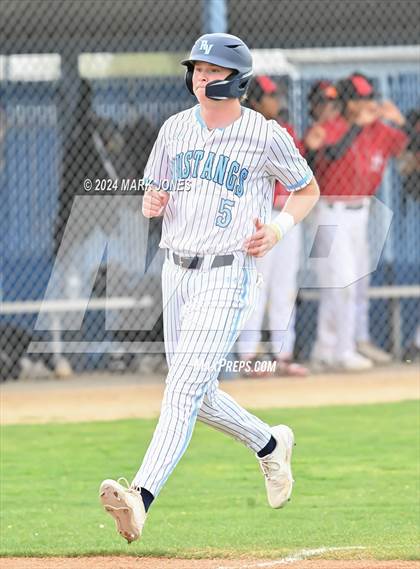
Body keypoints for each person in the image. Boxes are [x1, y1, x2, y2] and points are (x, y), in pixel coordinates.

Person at [98, 32, 319, 544]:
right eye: (197, 70)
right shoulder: (174, 130)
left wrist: (280, 229)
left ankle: (141, 497)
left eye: (212, 71)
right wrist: (151, 202)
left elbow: (306, 189)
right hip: (176, 271)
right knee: (196, 393)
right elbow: (155, 190)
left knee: (180, 390)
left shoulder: (264, 135)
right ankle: (269, 445)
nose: (201, 78)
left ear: (234, 81)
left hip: (227, 273)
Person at [310, 73, 407, 371]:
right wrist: (356, 126)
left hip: (361, 215)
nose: (365, 104)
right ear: (345, 102)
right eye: (358, 99)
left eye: (368, 97)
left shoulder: (380, 130)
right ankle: (343, 350)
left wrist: (401, 123)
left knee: (352, 282)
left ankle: (324, 349)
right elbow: (331, 155)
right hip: (328, 214)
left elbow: (408, 148)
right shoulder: (331, 128)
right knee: (341, 282)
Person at [237, 76, 309, 377]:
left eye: (276, 95)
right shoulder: (241, 132)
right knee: (256, 286)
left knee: (285, 286)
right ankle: (248, 355)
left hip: (285, 216)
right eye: (269, 96)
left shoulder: (285, 131)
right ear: (254, 101)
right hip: (257, 218)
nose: (276, 100)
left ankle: (282, 354)